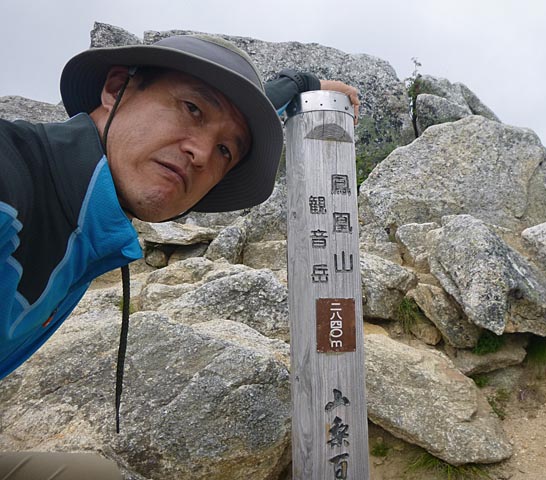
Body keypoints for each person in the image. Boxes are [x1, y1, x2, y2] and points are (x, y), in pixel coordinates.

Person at [0, 34, 359, 479]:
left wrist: (303, 83)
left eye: (225, 150)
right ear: (116, 88)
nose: (202, 152)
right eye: (191, 109)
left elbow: (232, 112)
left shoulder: (83, 213)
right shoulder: (13, 182)